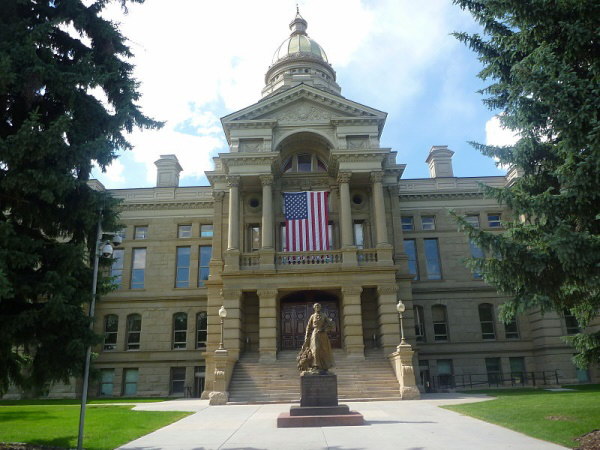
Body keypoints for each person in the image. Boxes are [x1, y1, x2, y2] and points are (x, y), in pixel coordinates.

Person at [297, 303, 335, 373]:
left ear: (320, 307)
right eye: (316, 306)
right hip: (315, 333)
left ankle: (324, 366)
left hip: (323, 334)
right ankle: (315, 365)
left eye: (318, 306)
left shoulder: (324, 315)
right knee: (315, 349)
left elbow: (331, 325)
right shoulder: (312, 316)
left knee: (323, 349)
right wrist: (306, 337)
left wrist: (325, 329)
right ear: (314, 308)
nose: (317, 307)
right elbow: (308, 327)